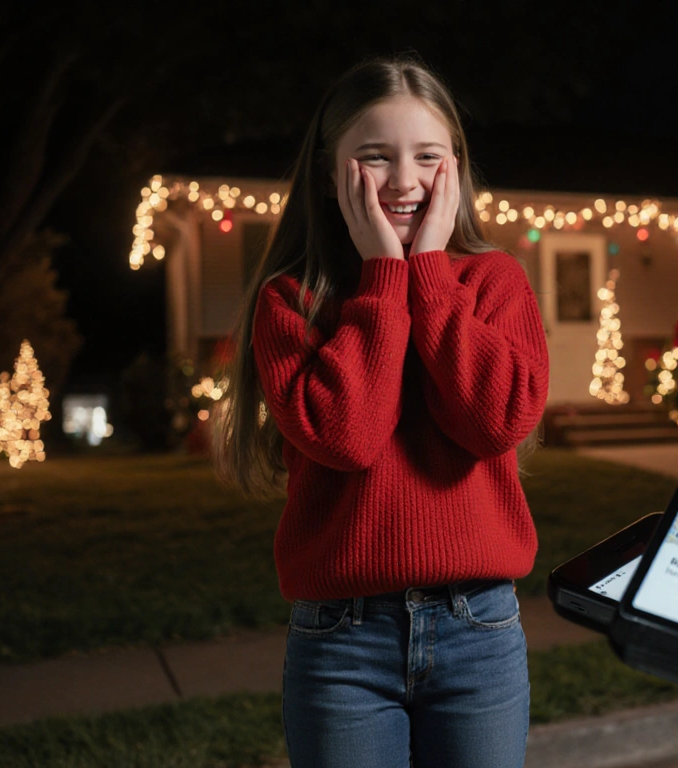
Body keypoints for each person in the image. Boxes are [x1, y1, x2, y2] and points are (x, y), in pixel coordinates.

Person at [211, 56, 549, 768]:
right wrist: (385, 279)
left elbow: (493, 424)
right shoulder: (293, 301)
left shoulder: (495, 283)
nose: (403, 180)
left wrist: (427, 276)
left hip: (478, 630)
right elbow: (349, 436)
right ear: (332, 176)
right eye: (374, 157)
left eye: (427, 156)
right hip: (342, 644)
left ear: (454, 168)